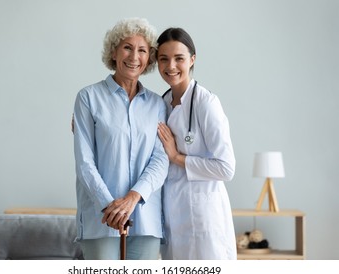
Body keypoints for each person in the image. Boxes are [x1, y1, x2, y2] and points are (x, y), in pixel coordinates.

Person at [72, 18, 169, 260]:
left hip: (145, 218)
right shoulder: (88, 98)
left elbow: (160, 159)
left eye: (143, 50)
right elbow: (84, 162)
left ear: (149, 58)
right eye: (127, 47)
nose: (134, 56)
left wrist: (133, 197)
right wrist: (110, 206)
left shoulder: (157, 104)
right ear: (114, 52)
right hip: (101, 217)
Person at [156, 27, 237, 260]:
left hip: (203, 217)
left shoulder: (206, 103)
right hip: (172, 215)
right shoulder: (162, 103)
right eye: (164, 59)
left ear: (192, 60)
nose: (171, 66)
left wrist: (176, 158)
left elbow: (226, 168)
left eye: (179, 58)